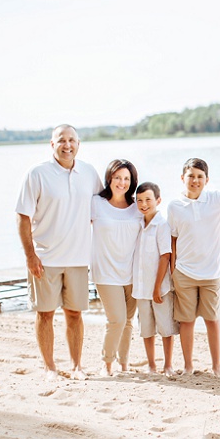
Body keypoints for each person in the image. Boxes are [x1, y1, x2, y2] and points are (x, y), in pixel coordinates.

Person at [16, 124, 102, 382]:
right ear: (52, 144)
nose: (67, 145)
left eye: (72, 140)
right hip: (45, 258)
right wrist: (30, 255)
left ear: (78, 144)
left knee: (75, 314)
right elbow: (22, 218)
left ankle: (77, 366)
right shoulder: (37, 174)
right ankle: (49, 367)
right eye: (62, 140)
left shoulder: (89, 173)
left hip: (78, 259)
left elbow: (103, 208)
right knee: (45, 314)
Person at [168, 158, 220, 376]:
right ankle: (189, 366)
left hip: (211, 273)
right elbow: (172, 239)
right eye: (191, 176)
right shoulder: (174, 206)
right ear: (183, 178)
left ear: (207, 180)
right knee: (186, 321)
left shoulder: (216, 199)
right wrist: (172, 269)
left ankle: (217, 366)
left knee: (212, 319)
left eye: (200, 177)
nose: (195, 180)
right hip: (184, 272)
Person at [91, 159, 143, 377]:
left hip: (132, 273)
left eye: (126, 179)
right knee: (117, 320)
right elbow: (73, 224)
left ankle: (123, 364)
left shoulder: (138, 207)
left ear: (132, 182)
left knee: (128, 321)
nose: (122, 182)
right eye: (117, 177)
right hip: (105, 272)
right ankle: (107, 363)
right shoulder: (96, 203)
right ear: (109, 179)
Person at [132, 182, 179, 376]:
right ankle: (151, 365)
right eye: (140, 200)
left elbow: (165, 256)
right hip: (141, 288)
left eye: (148, 200)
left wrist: (157, 286)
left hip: (160, 287)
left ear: (158, 201)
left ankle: (168, 364)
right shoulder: (138, 224)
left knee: (165, 326)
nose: (144, 204)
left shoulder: (162, 225)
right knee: (146, 328)